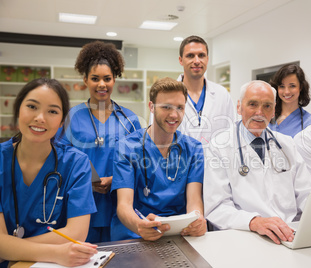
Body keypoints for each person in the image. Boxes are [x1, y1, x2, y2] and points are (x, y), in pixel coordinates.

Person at [203, 80, 311, 245]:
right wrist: (254, 222)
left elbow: (308, 193)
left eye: (267, 106)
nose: (260, 112)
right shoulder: (218, 146)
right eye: (252, 104)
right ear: (239, 107)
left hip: (287, 234)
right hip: (244, 237)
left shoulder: (287, 144)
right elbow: (217, 207)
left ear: (273, 111)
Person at [0, 78, 97, 267]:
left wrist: (9, 249)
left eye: (52, 111)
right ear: (18, 110)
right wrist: (56, 252)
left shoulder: (76, 163)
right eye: (32, 106)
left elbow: (77, 234)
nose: (40, 118)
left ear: (61, 122)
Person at [57, 41, 141, 243]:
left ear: (115, 80)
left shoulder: (130, 120)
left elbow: (141, 162)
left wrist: (117, 180)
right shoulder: (72, 118)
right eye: (95, 78)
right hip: (82, 205)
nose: (101, 84)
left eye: (107, 78)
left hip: (118, 207)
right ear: (85, 80)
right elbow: (60, 158)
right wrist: (88, 180)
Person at [111, 77, 206, 241]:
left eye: (180, 108)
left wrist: (197, 219)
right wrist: (139, 226)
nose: (174, 114)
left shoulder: (193, 149)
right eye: (166, 107)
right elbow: (124, 206)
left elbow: (194, 200)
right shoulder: (126, 147)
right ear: (151, 107)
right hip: (136, 234)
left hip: (178, 234)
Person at [150, 35, 236, 146]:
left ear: (207, 59)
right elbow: (154, 135)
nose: (196, 61)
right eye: (190, 56)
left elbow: (231, 133)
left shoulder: (222, 95)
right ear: (181, 60)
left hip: (215, 161)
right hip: (176, 161)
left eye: (201, 55)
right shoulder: (165, 94)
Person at [268, 64, 311, 137]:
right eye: (282, 86)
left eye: (292, 86)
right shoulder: (266, 116)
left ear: (301, 87)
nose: (287, 92)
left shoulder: (309, 123)